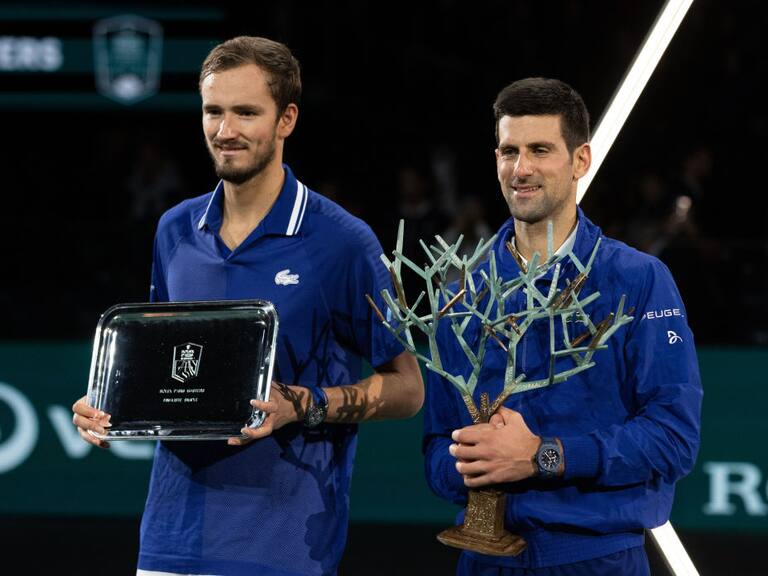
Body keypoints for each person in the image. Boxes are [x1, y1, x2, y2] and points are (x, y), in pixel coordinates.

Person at [72, 36, 423, 576]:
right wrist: (109, 404)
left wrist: (303, 404)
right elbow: (164, 368)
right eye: (213, 111)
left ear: (287, 120)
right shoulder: (175, 230)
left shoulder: (343, 242)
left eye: (246, 113)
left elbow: (408, 388)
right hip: (171, 538)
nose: (225, 130)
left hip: (283, 545)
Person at [422, 77, 702, 575]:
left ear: (580, 161)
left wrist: (542, 456)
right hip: (482, 560)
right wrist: (468, 464)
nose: (521, 168)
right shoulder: (461, 292)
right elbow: (435, 449)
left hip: (597, 559)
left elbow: (674, 438)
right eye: (509, 150)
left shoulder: (637, 280)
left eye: (540, 150)